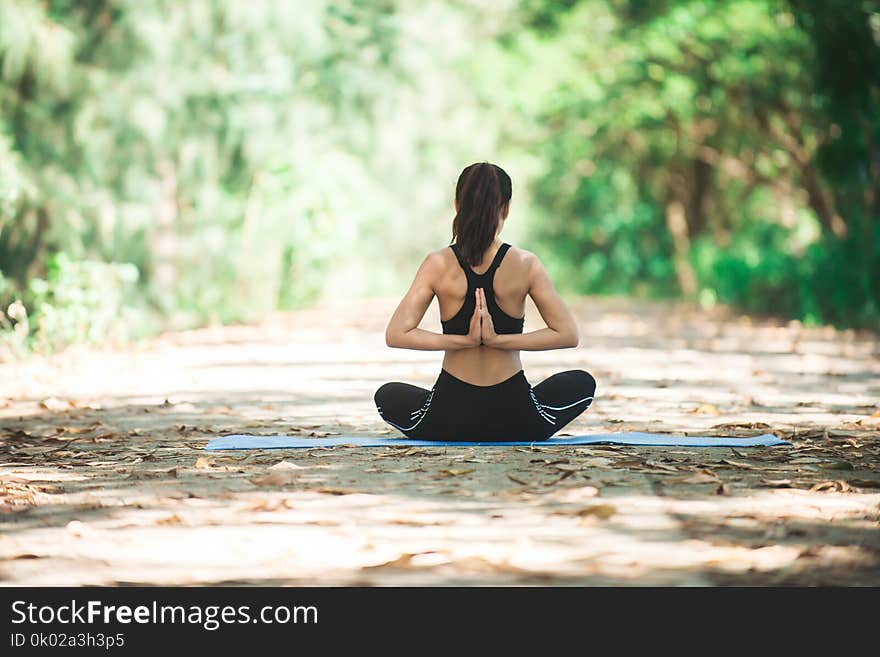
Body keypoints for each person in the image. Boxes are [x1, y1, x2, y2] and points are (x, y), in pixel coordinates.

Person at [374, 162, 596, 442]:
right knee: (582, 383)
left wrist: (461, 341)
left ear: (457, 205)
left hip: (447, 419)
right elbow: (567, 334)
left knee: (387, 396)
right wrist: (499, 341)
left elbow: (397, 334)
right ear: (506, 208)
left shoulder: (437, 263)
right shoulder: (526, 264)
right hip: (517, 419)